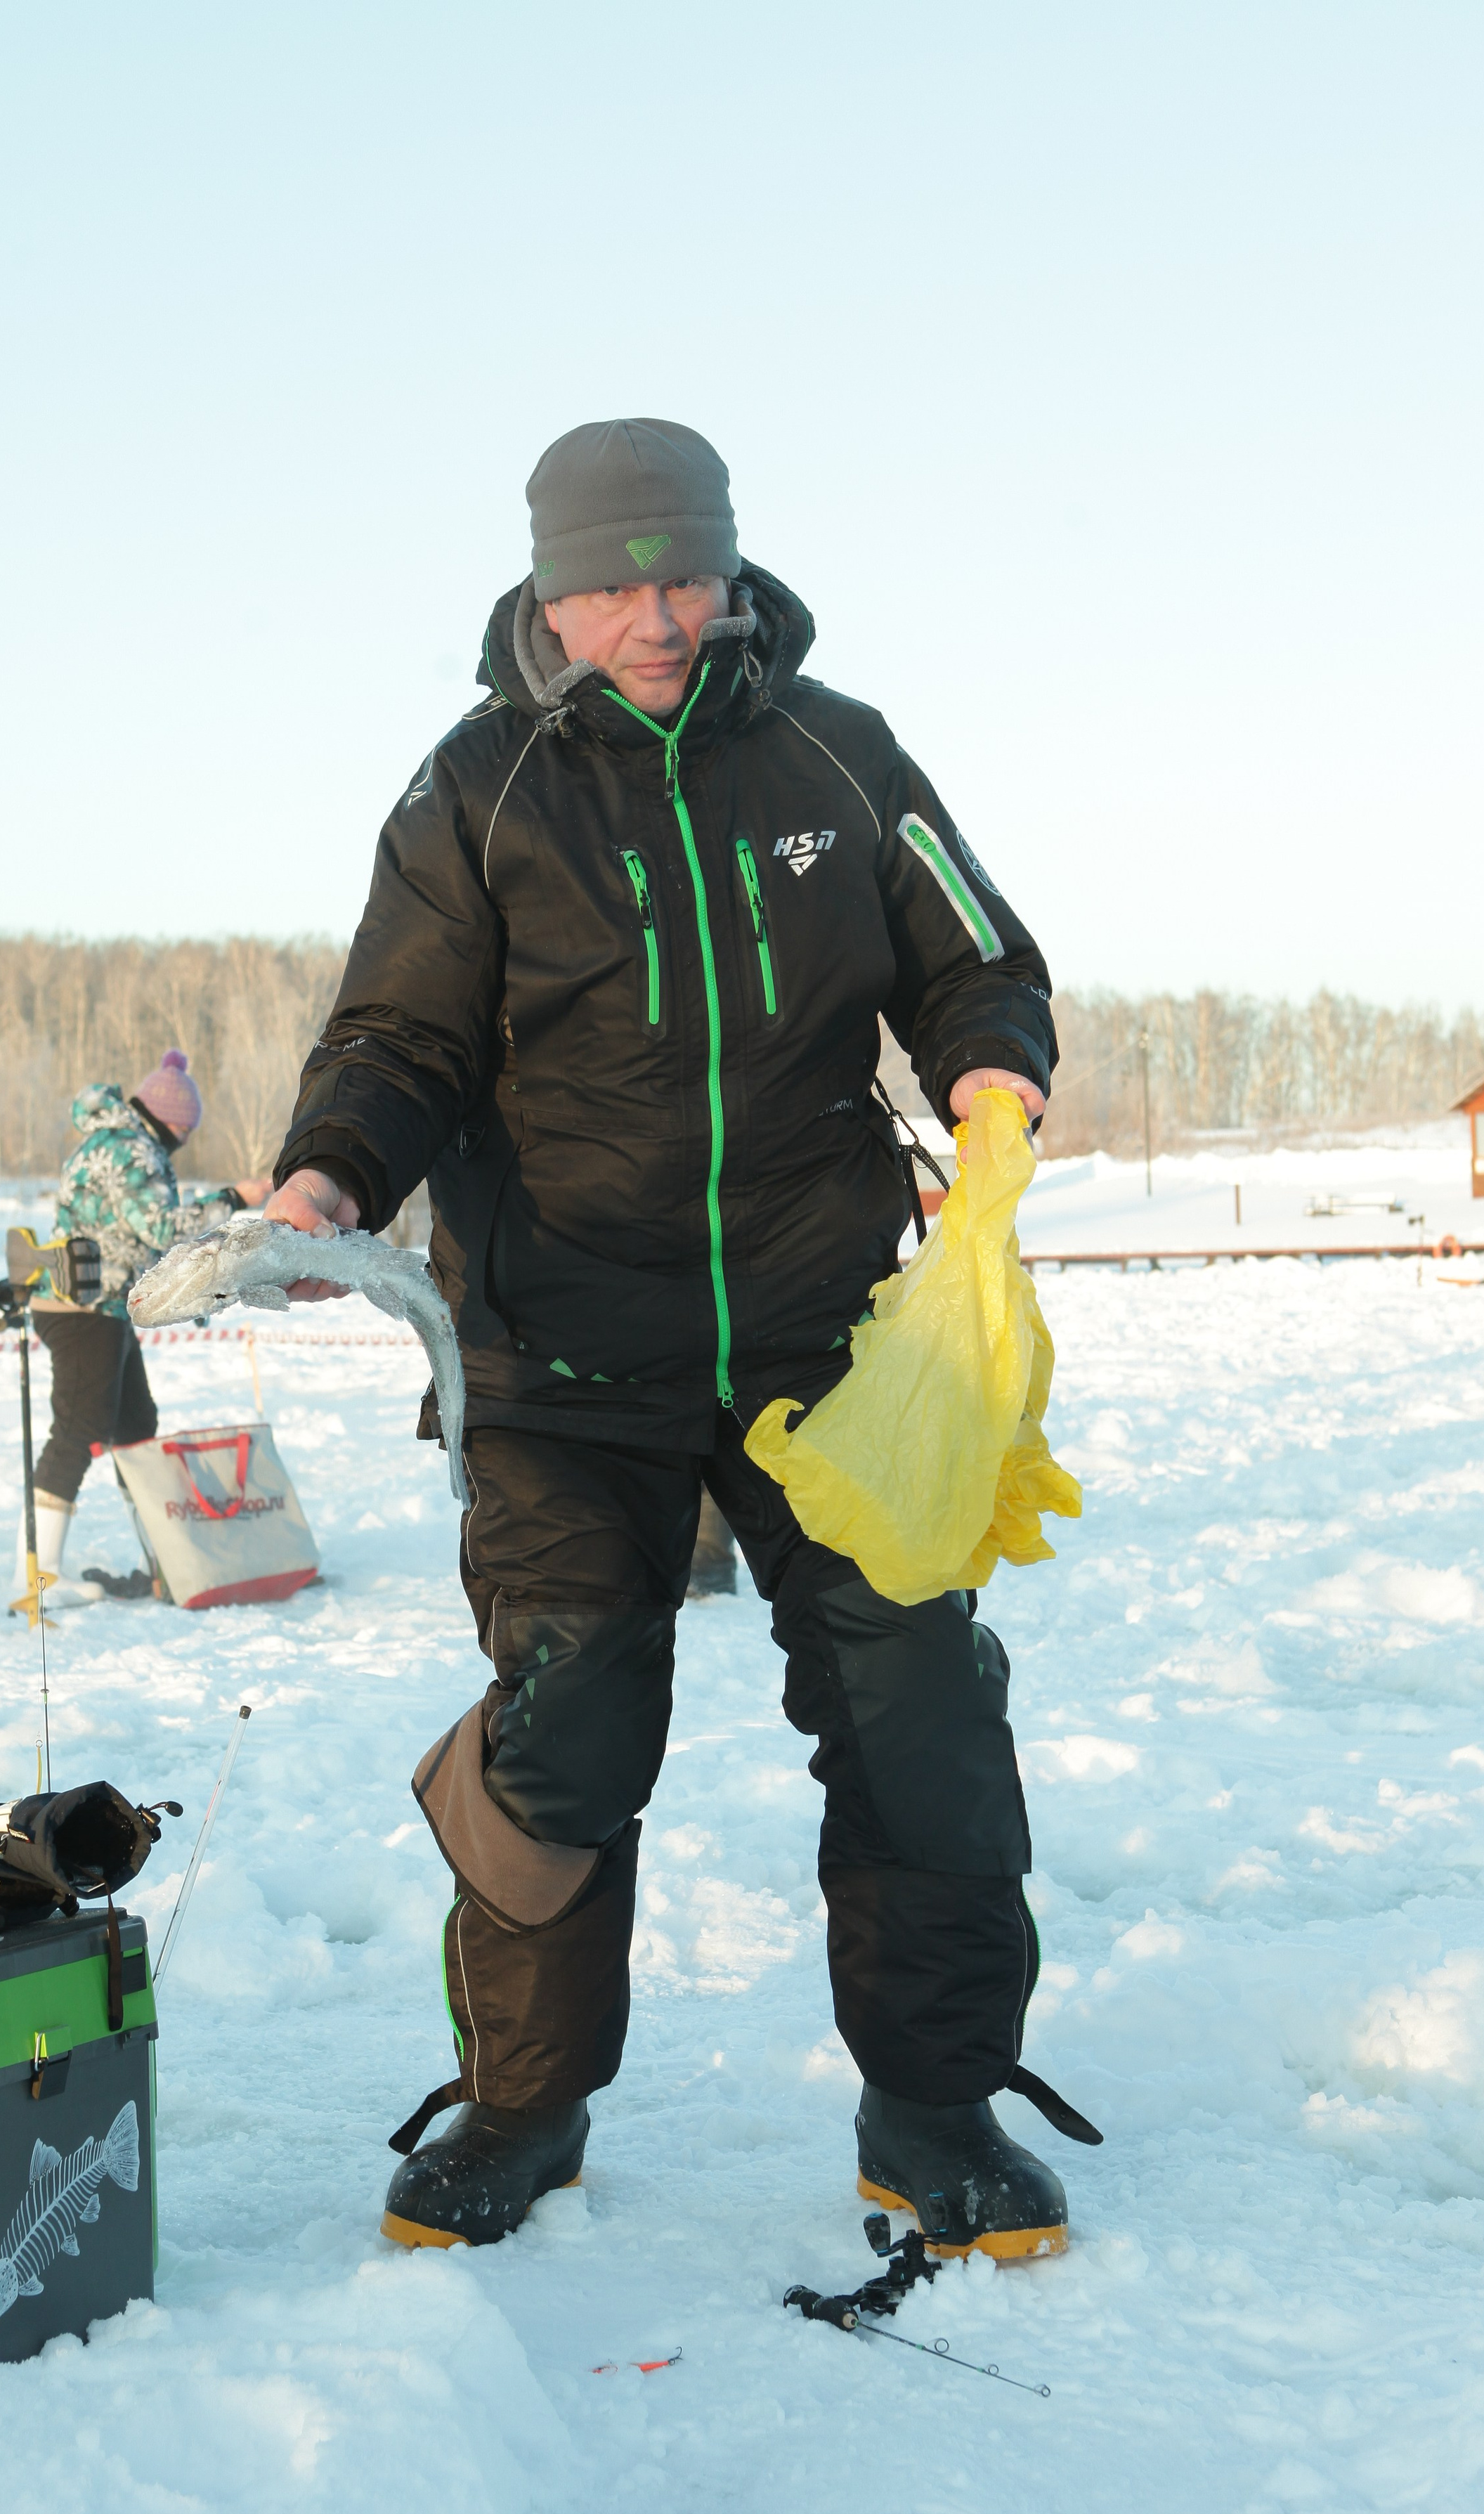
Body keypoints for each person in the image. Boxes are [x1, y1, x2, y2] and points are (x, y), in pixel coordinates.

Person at [266, 420, 1084, 2257]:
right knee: (572, 1712)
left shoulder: (835, 757)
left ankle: (935, 2108)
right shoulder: (477, 791)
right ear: (548, 590)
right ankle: (519, 2105)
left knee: (919, 1704)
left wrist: (991, 1081)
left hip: (834, 1330)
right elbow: (398, 1039)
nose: (656, 610)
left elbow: (972, 957)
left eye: (686, 571)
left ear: (728, 568)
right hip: (562, 1338)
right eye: (615, 578)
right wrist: (329, 1176)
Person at [17, 1049, 270, 1607]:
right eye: (186, 1128)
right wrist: (236, 1198)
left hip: (104, 1307)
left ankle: (165, 1562)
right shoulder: (130, 1150)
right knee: (79, 1430)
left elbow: (140, 1239)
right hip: (83, 1309)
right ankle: (35, 1580)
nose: (185, 1137)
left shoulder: (123, 1142)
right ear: (172, 1119)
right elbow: (158, 1227)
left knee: (135, 1427)